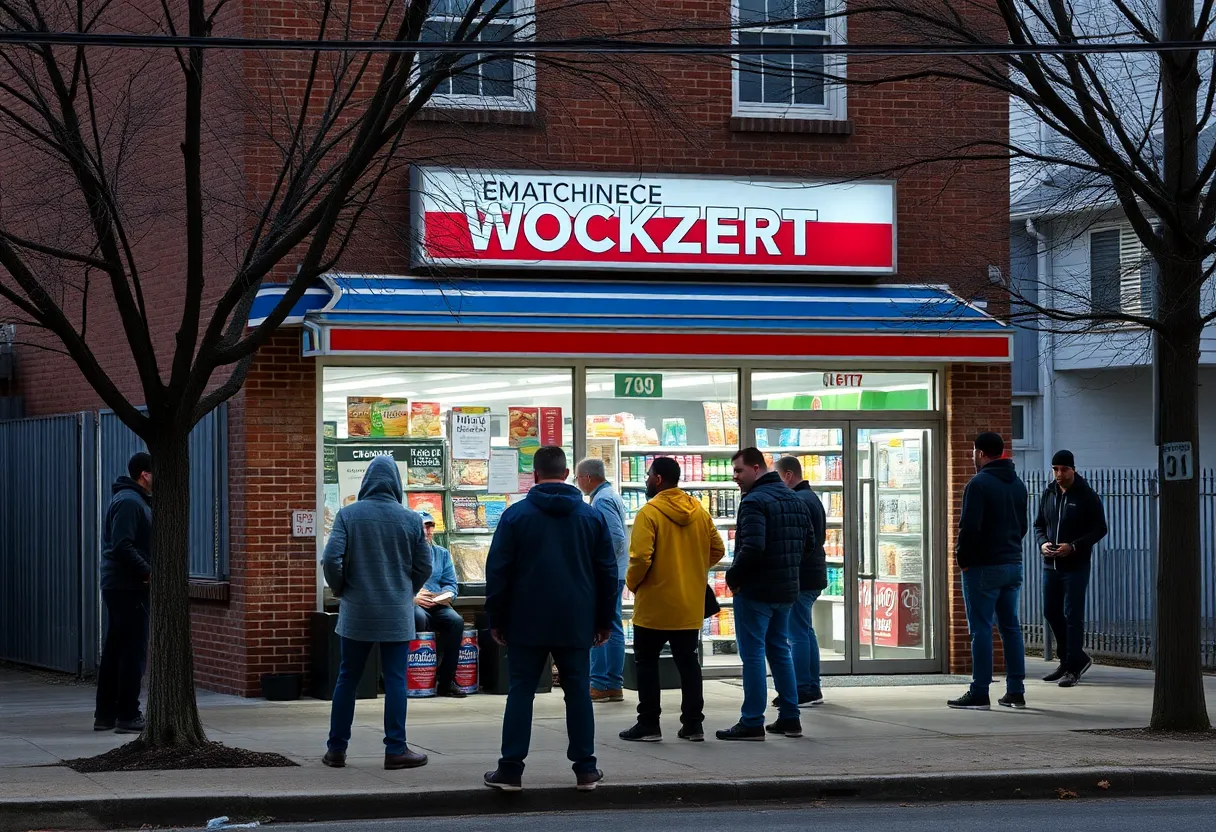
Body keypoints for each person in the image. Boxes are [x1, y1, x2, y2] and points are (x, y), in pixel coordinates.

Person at [483, 446, 617, 792]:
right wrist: (604, 621)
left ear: (535, 474)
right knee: (577, 693)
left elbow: (497, 572)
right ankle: (586, 769)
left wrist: (496, 619)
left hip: (525, 620)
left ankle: (510, 770)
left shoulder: (516, 516)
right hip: (576, 620)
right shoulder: (591, 517)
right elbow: (606, 572)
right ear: (569, 472)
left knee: (521, 692)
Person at [322, 456, 432, 771]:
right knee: (396, 679)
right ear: (396, 484)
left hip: (357, 610)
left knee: (347, 679)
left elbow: (331, 559)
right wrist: (405, 590)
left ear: (366, 481)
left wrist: (341, 588)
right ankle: (396, 750)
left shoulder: (348, 515)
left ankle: (336, 749)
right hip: (396, 612)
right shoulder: (411, 519)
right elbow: (424, 565)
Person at [619, 456, 725, 743]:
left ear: (657, 479)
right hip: (689, 604)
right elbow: (718, 549)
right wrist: (693, 569)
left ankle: (649, 724)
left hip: (654, 604)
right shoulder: (699, 511)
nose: (645, 481)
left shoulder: (649, 513)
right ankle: (693, 725)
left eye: (648, 476)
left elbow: (640, 557)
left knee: (647, 663)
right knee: (689, 664)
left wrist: (633, 583)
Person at [721, 447, 813, 742]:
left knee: (753, 655)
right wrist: (788, 565)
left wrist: (733, 577)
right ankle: (790, 717)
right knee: (780, 651)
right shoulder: (795, 498)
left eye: (739, 470)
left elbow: (752, 547)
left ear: (757, 468)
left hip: (756, 590)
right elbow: (810, 544)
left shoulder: (753, 502)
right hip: (786, 589)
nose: (735, 477)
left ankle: (751, 721)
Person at [948, 432, 1029, 711]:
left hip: (983, 566)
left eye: (973, 452)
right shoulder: (1018, 484)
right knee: (1011, 628)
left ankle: (980, 691)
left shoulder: (978, 484)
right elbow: (1023, 527)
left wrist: (963, 558)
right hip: (1013, 563)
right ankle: (1015, 690)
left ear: (980, 453)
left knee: (980, 629)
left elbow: (969, 527)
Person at [1034, 450, 1108, 688]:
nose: (1058, 474)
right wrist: (1042, 543)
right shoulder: (1049, 493)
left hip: (1075, 566)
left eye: (1063, 469)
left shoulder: (1086, 496)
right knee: (1050, 612)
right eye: (1055, 469)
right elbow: (1039, 525)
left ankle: (1073, 669)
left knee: (1072, 615)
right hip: (1051, 565)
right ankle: (1070, 659)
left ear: (1073, 469)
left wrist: (1073, 546)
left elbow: (1099, 529)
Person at [95, 452, 154, 734]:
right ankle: (128, 714)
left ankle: (105, 715)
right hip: (129, 587)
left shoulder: (129, 500)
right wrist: (148, 572)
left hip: (118, 585)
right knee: (133, 652)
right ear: (145, 474)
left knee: (116, 651)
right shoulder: (131, 502)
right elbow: (122, 545)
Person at [775, 455, 828, 707]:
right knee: (805, 631)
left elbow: (799, 542)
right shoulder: (812, 498)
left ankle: (802, 688)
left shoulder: (798, 500)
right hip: (813, 574)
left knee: (796, 633)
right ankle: (811, 685)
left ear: (787, 475)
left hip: (801, 575)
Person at [576, 457, 629, 703]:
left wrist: (601, 565)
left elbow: (615, 537)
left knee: (602, 627)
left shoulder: (602, 499)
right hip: (616, 571)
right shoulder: (609, 495)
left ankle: (600, 683)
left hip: (609, 573)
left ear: (587, 477)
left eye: (578, 479)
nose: (578, 484)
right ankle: (612, 684)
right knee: (613, 624)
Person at [414, 512, 467, 698]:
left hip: (437, 603)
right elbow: (396, 582)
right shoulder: (405, 552)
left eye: (431, 526)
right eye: (424, 527)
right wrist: (412, 596)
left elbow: (451, 584)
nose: (428, 531)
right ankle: (419, 678)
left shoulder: (442, 554)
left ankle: (446, 681)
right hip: (414, 603)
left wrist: (447, 595)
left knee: (456, 621)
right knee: (418, 618)